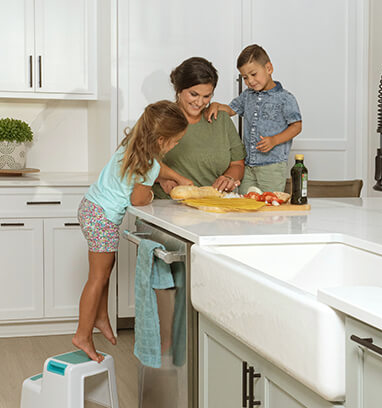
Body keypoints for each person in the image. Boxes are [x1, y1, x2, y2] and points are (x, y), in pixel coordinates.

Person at [73, 100, 191, 362]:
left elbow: (157, 168)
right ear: (161, 140)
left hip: (91, 209)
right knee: (98, 277)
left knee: (105, 270)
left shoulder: (133, 145)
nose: (176, 146)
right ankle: (82, 334)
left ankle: (101, 317)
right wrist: (153, 190)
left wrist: (177, 178)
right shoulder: (147, 164)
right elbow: (138, 199)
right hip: (102, 218)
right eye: (176, 141)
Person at [208, 44, 302, 193]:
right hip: (248, 165)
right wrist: (216, 105)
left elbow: (296, 126)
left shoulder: (285, 98)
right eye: (245, 77)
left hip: (272, 165)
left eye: (253, 74)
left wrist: (274, 140)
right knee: (246, 203)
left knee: (269, 204)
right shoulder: (247, 96)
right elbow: (231, 110)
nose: (250, 81)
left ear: (269, 69)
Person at [153, 56, 245, 198]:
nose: (200, 102)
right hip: (165, 207)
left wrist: (229, 178)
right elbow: (134, 160)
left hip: (211, 207)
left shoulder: (221, 119)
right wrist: (160, 178)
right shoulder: (160, 117)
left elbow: (237, 164)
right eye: (193, 94)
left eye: (207, 96)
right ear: (179, 89)